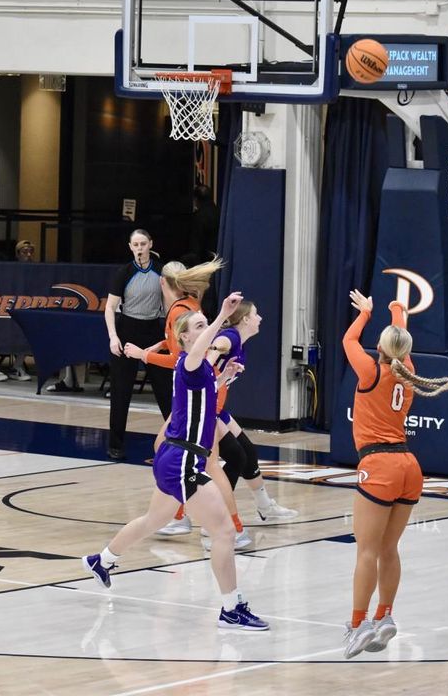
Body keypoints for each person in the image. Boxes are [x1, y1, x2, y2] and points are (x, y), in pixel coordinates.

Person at [82, 292, 269, 631]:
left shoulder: (200, 371)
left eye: (205, 324)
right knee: (224, 532)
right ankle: (231, 608)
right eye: (198, 326)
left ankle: (102, 560)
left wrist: (224, 377)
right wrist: (221, 317)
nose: (207, 329)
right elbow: (201, 352)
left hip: (176, 457)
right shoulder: (189, 361)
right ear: (185, 337)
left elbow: (205, 397)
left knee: (154, 519)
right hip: (182, 458)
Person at [340, 290, 448, 659]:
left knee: (366, 551)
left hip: (379, 465)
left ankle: (357, 624)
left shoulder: (369, 370)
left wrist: (365, 312)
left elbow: (349, 340)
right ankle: (385, 616)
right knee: (388, 549)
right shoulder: (408, 370)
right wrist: (397, 309)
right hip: (409, 466)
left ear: (379, 348)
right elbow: (400, 335)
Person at [123, 259, 250, 548]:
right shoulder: (187, 308)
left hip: (201, 398)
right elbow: (183, 353)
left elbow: (186, 358)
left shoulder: (182, 312)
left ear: (161, 284)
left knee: (211, 463)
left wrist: (144, 356)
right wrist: (159, 346)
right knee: (168, 448)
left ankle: (229, 526)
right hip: (201, 393)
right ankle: (182, 514)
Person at [211, 300, 299, 523]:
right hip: (207, 409)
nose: (260, 318)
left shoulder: (241, 342)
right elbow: (217, 344)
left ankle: (265, 506)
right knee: (235, 458)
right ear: (246, 319)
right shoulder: (230, 337)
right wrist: (213, 350)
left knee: (248, 452)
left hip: (218, 408)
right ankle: (217, 517)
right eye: (256, 314)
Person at [103, 229, 172, 460]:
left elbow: (170, 304)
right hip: (127, 330)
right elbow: (110, 308)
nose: (140, 248)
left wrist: (168, 335)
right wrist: (114, 336)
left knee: (165, 390)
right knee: (121, 391)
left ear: (151, 244)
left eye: (143, 243)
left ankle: (177, 440)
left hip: (153, 330)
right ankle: (116, 444)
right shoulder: (124, 272)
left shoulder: (162, 270)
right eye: (136, 244)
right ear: (130, 247)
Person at [0, 239, 35, 383]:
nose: (29, 255)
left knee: (28, 330)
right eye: (24, 252)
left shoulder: (36, 272)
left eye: (31, 251)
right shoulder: (2, 274)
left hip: (18, 312)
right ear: (17, 254)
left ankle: (16, 367)